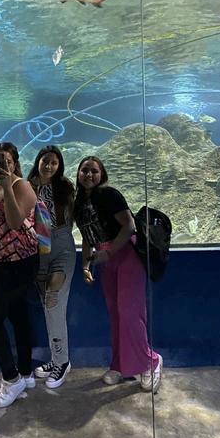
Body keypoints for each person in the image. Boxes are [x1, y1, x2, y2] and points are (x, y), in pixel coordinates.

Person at [73, 156, 163, 392]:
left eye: (94, 171)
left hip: (126, 255)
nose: (89, 175)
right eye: (84, 170)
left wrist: (109, 252)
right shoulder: (79, 202)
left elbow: (129, 226)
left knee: (130, 312)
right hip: (106, 259)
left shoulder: (109, 194)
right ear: (78, 173)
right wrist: (85, 266)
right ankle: (120, 365)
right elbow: (87, 237)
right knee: (115, 314)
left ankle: (150, 361)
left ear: (102, 175)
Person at [0, 142, 39, 408]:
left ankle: (11, 380)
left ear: (14, 163)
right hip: (1, 261)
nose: (2, 166)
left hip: (20, 262)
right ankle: (24, 373)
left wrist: (8, 186)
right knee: (17, 315)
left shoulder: (22, 186)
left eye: (8, 161)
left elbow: (14, 223)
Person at [27, 145, 76, 389]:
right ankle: (56, 358)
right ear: (38, 161)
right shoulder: (27, 186)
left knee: (53, 301)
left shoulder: (65, 186)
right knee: (47, 307)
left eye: (54, 163)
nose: (49, 166)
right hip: (37, 249)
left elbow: (73, 217)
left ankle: (63, 362)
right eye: (45, 161)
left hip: (62, 246)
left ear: (59, 166)